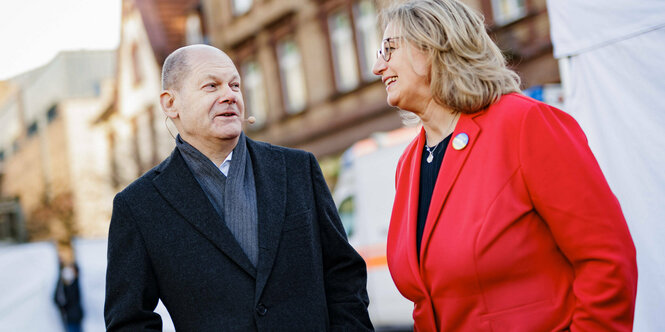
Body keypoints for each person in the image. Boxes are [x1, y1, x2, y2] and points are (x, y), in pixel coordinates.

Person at [372, 0, 638, 331]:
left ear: (433, 46)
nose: (377, 67)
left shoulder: (525, 124)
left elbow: (607, 260)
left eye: (388, 49)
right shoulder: (407, 165)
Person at [104, 44, 373, 331]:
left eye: (235, 85)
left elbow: (343, 274)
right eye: (211, 86)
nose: (229, 95)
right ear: (171, 104)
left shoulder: (297, 170)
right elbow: (128, 321)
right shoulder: (140, 205)